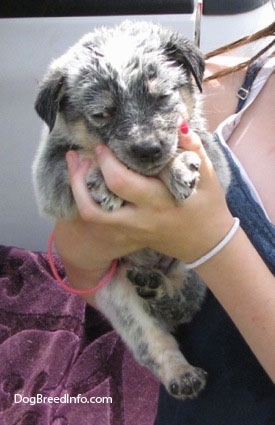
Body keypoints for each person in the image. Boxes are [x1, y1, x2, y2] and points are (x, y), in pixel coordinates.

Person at [53, 21, 275, 424]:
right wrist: (90, 247)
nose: (145, 138)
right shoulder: (223, 83)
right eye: (104, 114)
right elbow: (85, 274)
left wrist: (212, 244)